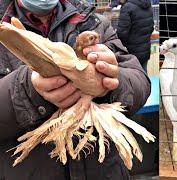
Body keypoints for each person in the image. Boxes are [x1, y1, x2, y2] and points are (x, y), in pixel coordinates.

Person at [0, 0, 150, 179]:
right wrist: (27, 90)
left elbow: (140, 81)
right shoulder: (5, 27)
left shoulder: (93, 21)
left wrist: (112, 83)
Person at [117, 0, 154, 72]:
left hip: (131, 52)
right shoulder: (148, 4)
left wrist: (123, 46)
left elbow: (121, 33)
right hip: (145, 49)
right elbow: (151, 27)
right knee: (144, 75)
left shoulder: (127, 7)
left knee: (133, 79)